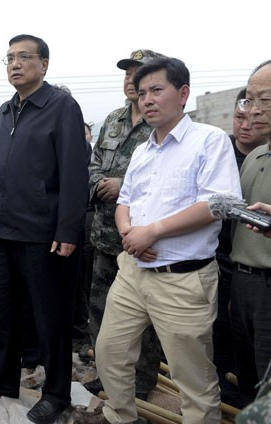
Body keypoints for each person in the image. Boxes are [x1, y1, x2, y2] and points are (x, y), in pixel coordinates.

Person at [95, 57, 242, 423]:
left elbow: (216, 204)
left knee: (192, 377)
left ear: (183, 93)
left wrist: (153, 231)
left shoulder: (209, 141)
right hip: (133, 272)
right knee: (110, 353)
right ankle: (122, 417)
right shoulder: (144, 150)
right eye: (142, 92)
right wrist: (131, 235)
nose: (147, 99)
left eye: (157, 90)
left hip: (182, 280)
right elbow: (125, 199)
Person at [0, 34, 88, 424]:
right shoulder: (4, 112)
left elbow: (74, 174)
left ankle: (56, 394)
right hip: (3, 234)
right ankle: (2, 382)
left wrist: (68, 231)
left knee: (49, 318)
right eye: (9, 58)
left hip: (44, 236)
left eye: (23, 57)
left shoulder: (61, 107)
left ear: (44, 64)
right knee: (1, 314)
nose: (15, 64)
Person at [84, 50, 165, 401]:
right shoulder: (113, 119)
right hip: (105, 234)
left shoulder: (162, 121)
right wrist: (100, 182)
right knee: (100, 308)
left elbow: (165, 178)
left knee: (144, 320)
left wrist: (121, 184)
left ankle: (142, 381)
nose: (131, 80)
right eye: (128, 73)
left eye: (139, 73)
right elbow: (94, 163)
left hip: (142, 240)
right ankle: (107, 375)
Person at [213, 88, 267, 406]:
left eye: (253, 117)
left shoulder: (262, 154)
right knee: (222, 331)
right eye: (239, 116)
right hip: (225, 260)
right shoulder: (223, 155)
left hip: (259, 269)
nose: (246, 124)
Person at [229, 60, 271, 407]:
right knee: (246, 376)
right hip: (240, 283)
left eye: (265, 101)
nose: (254, 111)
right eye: (249, 100)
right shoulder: (256, 153)